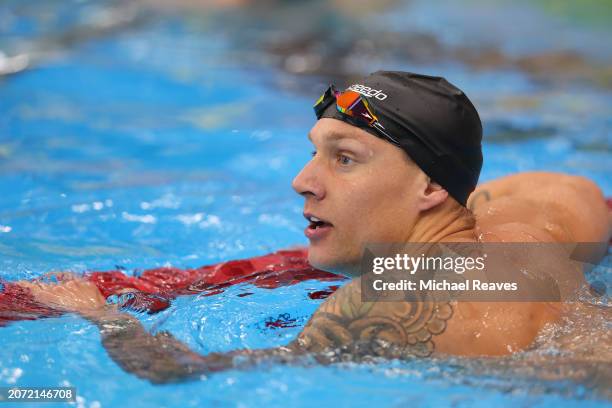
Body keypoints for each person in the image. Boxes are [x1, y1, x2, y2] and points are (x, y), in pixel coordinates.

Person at [18, 71, 611, 383]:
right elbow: (568, 191)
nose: (303, 180)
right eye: (315, 153)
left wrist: (102, 315)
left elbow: (179, 374)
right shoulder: (549, 217)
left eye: (344, 158)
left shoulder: (372, 306)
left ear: (431, 188)